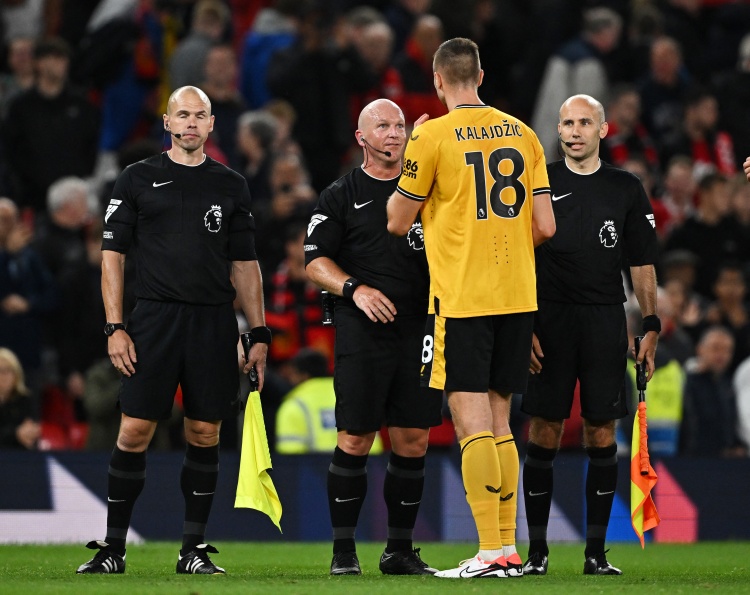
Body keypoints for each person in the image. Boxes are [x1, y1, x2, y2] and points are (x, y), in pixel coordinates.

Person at [76, 86, 270, 575]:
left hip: (213, 321)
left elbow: (245, 264)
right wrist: (115, 326)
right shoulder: (136, 178)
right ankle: (113, 549)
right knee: (135, 429)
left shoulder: (230, 185)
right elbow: (113, 257)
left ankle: (193, 550)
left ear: (211, 124)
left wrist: (259, 332)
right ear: (167, 122)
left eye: (200, 115)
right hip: (154, 319)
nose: (190, 122)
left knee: (204, 431)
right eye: (182, 114)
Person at [387, 38, 556, 579]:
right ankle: (506, 550)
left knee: (470, 421)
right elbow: (546, 226)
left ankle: (487, 550)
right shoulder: (524, 134)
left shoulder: (431, 135)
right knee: (502, 420)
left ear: (438, 80)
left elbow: (396, 220)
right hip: (517, 295)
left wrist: (412, 157)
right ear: (481, 76)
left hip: (463, 296)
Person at [520, 94, 659, 577]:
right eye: (566, 123)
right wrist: (524, 323)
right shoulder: (537, 183)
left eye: (584, 122)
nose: (574, 131)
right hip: (548, 320)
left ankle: (596, 554)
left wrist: (651, 323)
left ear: (603, 130)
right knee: (545, 428)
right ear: (557, 130)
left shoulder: (625, 188)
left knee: (602, 430)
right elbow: (517, 257)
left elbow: (642, 262)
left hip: (604, 319)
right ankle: (537, 553)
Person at [304, 98, 442, 576]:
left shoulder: (431, 189)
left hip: (421, 328)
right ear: (361, 138)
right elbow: (314, 261)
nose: (394, 133)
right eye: (382, 126)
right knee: (356, 437)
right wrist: (354, 289)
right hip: (362, 330)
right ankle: (344, 552)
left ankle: (398, 550)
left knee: (413, 440)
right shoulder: (340, 195)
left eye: (400, 125)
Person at [0, 347, 40, 449]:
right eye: (0, 370)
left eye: (9, 370)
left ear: (16, 374)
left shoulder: (25, 400)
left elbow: (31, 429)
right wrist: (16, 434)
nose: (4, 376)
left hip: (19, 454)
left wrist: (30, 433)